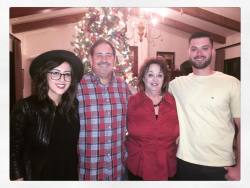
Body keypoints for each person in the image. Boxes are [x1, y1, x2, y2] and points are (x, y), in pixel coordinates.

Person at [168, 32, 240, 180]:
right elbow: (151, 93)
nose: (199, 53)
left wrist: (242, 167)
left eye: (205, 48)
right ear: (188, 52)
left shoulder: (232, 83)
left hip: (221, 166)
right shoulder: (176, 84)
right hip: (183, 162)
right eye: (194, 49)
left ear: (213, 51)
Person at [10, 50, 84, 180]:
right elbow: (13, 148)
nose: (62, 79)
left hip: (68, 176)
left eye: (67, 74)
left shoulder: (73, 106)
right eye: (55, 73)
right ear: (44, 75)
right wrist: (18, 178)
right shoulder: (26, 107)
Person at [77, 38, 131, 180]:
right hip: (88, 171)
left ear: (114, 59)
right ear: (90, 58)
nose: (104, 59)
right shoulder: (77, 87)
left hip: (118, 170)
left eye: (108, 55)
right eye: (99, 55)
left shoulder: (123, 87)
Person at [126, 58, 179, 180]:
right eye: (150, 75)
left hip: (167, 167)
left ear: (164, 79)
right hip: (138, 167)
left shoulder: (174, 103)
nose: (155, 79)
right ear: (143, 78)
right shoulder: (132, 102)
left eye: (159, 75)